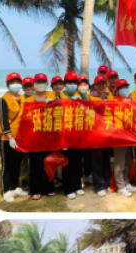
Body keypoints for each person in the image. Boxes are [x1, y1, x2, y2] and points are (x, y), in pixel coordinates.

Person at [0, 72, 28, 203]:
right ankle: (6, 191)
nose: (15, 85)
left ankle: (15, 187)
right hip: (7, 139)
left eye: (17, 82)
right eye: (12, 82)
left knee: (17, 164)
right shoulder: (3, 99)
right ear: (7, 85)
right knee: (7, 165)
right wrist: (10, 137)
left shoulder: (23, 98)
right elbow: (3, 120)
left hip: (21, 138)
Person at [24, 73, 56, 201]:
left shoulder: (52, 96)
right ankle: (36, 190)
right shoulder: (28, 100)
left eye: (43, 82)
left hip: (49, 137)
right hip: (34, 137)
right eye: (38, 82)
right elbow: (25, 119)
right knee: (35, 165)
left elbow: (60, 111)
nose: (40, 84)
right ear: (34, 84)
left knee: (49, 163)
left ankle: (49, 188)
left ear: (47, 84)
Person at [59, 72, 87, 200]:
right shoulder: (60, 96)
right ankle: (68, 188)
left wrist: (82, 96)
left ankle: (77, 186)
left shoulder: (79, 95)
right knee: (67, 163)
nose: (72, 85)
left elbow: (89, 107)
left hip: (78, 134)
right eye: (69, 82)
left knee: (77, 162)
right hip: (65, 135)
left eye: (74, 83)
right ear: (65, 84)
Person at [88, 75, 114, 197]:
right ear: (95, 86)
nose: (102, 86)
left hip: (108, 133)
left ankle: (106, 182)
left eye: (103, 84)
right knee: (97, 160)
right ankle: (98, 185)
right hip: (95, 133)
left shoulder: (109, 96)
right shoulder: (90, 97)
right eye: (99, 84)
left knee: (106, 159)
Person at [112, 79, 136, 197]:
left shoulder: (130, 101)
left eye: (126, 86)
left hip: (129, 137)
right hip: (119, 137)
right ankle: (120, 186)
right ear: (117, 90)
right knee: (119, 163)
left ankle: (126, 183)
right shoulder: (114, 102)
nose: (125, 89)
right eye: (122, 87)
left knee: (127, 162)